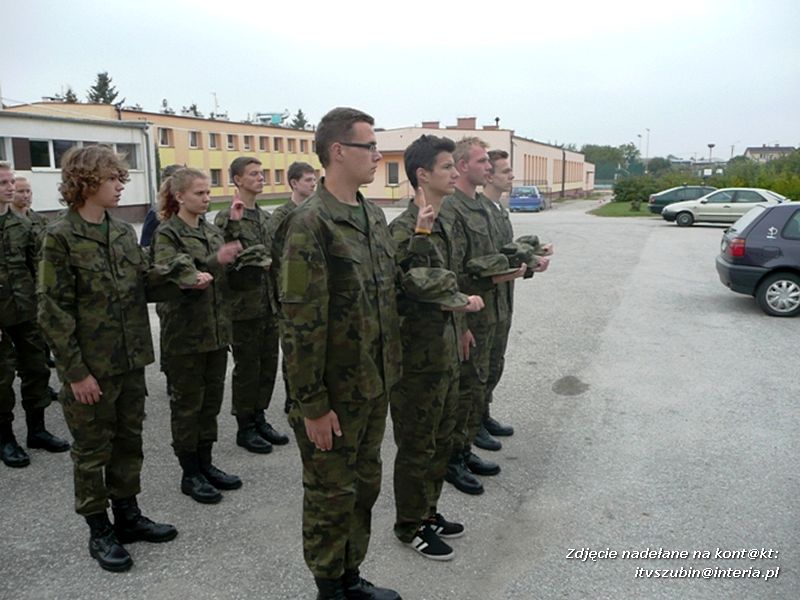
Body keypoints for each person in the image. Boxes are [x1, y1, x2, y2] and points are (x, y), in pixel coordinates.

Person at [275, 107, 402, 600]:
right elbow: (299, 323)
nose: (376, 155)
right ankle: (329, 586)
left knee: (364, 486)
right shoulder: (310, 223)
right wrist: (313, 404)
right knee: (331, 495)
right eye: (369, 147)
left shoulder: (372, 215)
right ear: (337, 152)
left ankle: (350, 574)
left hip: (374, 385)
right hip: (332, 394)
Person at [37, 146, 177, 572]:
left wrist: (181, 280)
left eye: (121, 178)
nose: (121, 185)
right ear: (86, 182)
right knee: (92, 450)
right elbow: (52, 310)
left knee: (128, 442)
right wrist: (75, 372)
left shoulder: (121, 232)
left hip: (129, 360)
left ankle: (128, 516)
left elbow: (140, 286)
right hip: (91, 368)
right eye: (113, 178)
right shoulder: (60, 236)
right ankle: (99, 530)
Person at [388, 135, 484, 560]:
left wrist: (460, 323)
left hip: (444, 347)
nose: (453, 172)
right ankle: (410, 526)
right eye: (446, 167)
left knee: (440, 439)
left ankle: (428, 511)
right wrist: (456, 301)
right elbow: (404, 287)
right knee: (416, 445)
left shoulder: (444, 222)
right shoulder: (403, 229)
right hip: (415, 358)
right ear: (422, 175)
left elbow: (452, 281)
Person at [152, 167, 243, 504]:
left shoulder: (210, 230)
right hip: (186, 337)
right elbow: (173, 274)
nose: (206, 199)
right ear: (179, 197)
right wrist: (212, 261)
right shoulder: (168, 233)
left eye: (208, 193)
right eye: (199, 193)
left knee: (210, 404)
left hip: (216, 332)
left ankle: (206, 463)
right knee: (187, 406)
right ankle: (190, 472)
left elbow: (222, 270)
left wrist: (233, 255)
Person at [442, 138, 527, 495]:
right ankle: (454, 458)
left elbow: (495, 256)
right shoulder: (452, 209)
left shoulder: (483, 207)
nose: (489, 168)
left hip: (492, 309)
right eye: (482, 162)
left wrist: (524, 262)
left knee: (479, 383)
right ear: (462, 166)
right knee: (463, 390)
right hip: (470, 315)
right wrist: (460, 324)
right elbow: (452, 271)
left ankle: (465, 446)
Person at [214, 157, 288, 454]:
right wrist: (233, 223)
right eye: (253, 174)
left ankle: (260, 417)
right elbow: (220, 254)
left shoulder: (267, 218)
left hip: (269, 304)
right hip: (243, 307)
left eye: (262, 173)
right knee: (247, 368)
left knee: (268, 365)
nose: (260, 178)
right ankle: (245, 425)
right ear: (237, 180)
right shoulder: (228, 216)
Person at [1, 162, 69, 469]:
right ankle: (5, 439)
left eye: (11, 181)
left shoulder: (24, 225)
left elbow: (38, 268)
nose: (10, 187)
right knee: (2, 379)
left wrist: (44, 305)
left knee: (37, 369)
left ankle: (37, 430)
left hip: (26, 310)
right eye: (3, 183)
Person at [480, 150, 552, 439]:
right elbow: (486, 260)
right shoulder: (479, 211)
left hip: (503, 299)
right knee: (480, 368)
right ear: (489, 175)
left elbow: (505, 253)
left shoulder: (499, 210)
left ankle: (482, 415)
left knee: (495, 362)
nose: (511, 177)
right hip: (485, 302)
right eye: (505, 171)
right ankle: (472, 425)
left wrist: (532, 257)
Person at [268, 161, 317, 415]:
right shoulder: (283, 214)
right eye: (308, 180)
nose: (313, 184)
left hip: (311, 291)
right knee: (292, 349)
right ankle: (292, 397)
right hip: (289, 290)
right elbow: (276, 257)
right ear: (294, 183)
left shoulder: (314, 211)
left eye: (314, 179)